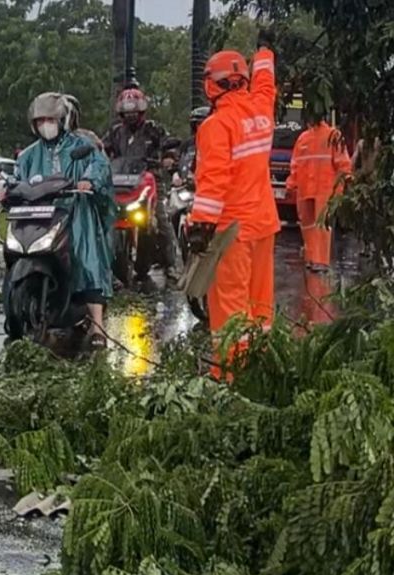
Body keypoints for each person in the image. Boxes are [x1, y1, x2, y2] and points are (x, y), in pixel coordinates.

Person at [187, 36, 279, 343]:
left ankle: (231, 379)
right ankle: (261, 367)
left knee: (230, 312)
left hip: (232, 233)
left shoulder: (216, 126)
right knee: (260, 306)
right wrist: (264, 52)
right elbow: (266, 83)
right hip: (264, 225)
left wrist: (199, 227)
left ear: (212, 85)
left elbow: (214, 182)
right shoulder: (262, 111)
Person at [17, 92, 115, 348]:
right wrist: (8, 190)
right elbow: (16, 178)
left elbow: (99, 165)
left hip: (76, 213)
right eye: (40, 121)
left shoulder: (80, 146)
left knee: (87, 260)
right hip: (41, 216)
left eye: (50, 119)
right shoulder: (28, 155)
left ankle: (98, 327)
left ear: (62, 120)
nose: (45, 125)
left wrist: (88, 180)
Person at [103, 87, 181, 282]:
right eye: (127, 113)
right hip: (120, 182)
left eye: (134, 112)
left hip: (149, 181)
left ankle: (172, 265)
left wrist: (169, 158)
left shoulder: (154, 129)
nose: (130, 116)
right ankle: (104, 266)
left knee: (161, 221)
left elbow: (168, 145)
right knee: (104, 217)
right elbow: (102, 148)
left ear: (141, 112)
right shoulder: (115, 132)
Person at [287, 114, 352, 272]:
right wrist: (291, 185)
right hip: (308, 188)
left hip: (324, 189)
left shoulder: (333, 135)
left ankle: (320, 261)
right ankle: (312, 258)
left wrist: (341, 187)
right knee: (308, 226)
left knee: (321, 226)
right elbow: (295, 164)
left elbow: (343, 164)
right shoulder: (304, 138)